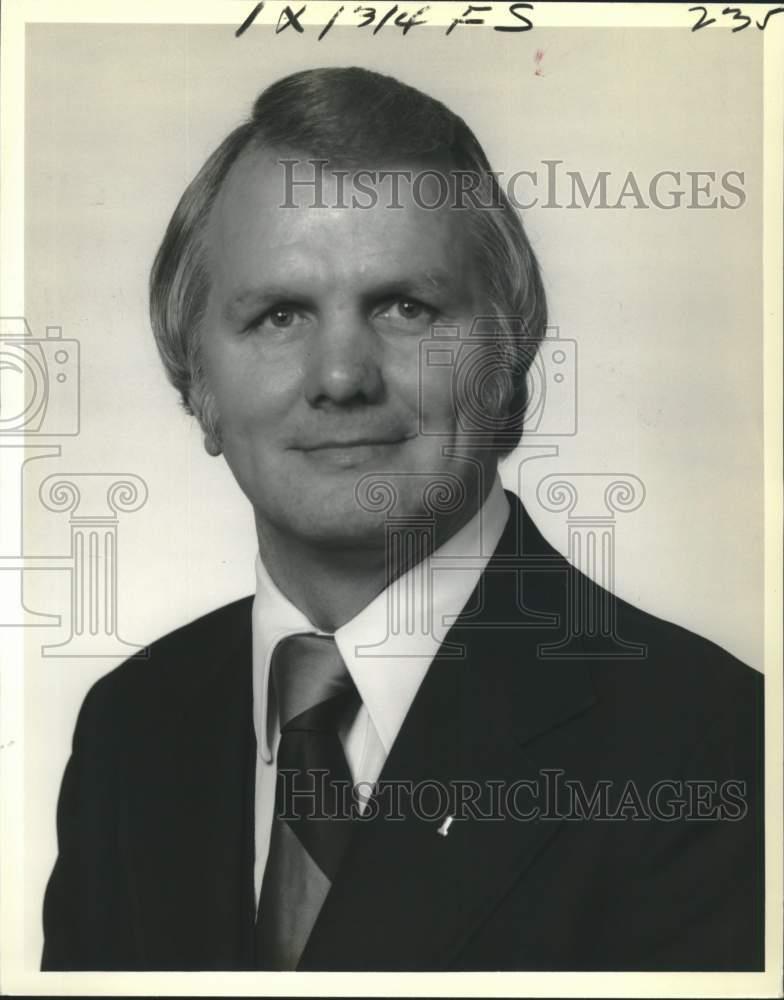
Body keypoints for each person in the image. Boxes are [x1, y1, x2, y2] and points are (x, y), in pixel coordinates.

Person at [41, 66, 763, 972]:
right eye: (277, 316)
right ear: (198, 385)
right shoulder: (131, 729)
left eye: (406, 307)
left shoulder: (712, 747)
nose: (342, 378)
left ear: (508, 358)